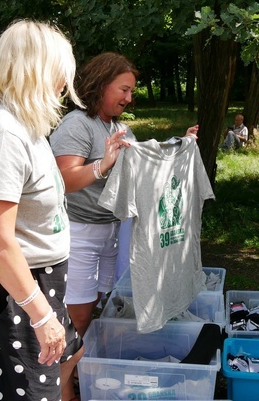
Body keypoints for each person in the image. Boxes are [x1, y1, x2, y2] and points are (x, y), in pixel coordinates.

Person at [0, 20, 82, 401]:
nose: (63, 85)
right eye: (61, 74)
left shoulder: (25, 125)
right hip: (7, 289)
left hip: (32, 284)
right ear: (37, 70)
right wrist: (41, 315)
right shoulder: (2, 135)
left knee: (63, 361)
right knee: (19, 393)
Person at [50, 52, 198, 338]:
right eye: (124, 90)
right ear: (100, 84)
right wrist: (101, 165)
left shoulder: (119, 128)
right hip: (78, 233)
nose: (129, 98)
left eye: (131, 91)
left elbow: (144, 164)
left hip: (110, 230)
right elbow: (63, 180)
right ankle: (61, 382)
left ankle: (81, 367)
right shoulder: (77, 124)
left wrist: (182, 143)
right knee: (77, 314)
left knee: (94, 304)